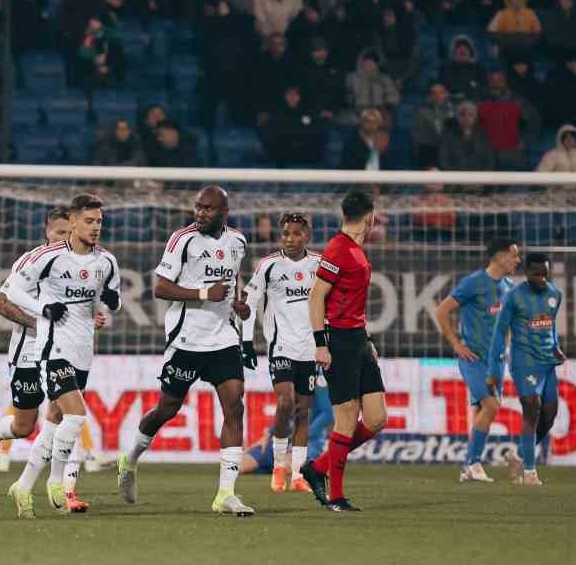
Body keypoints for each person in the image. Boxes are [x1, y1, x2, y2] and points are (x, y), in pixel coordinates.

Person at [116, 186, 254, 516]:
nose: (200, 213)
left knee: (235, 406)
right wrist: (206, 292)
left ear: (224, 211)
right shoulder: (183, 239)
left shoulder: (238, 241)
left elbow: (235, 279)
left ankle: (225, 494)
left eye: (208, 208)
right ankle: (130, 459)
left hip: (223, 338)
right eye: (198, 207)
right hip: (187, 340)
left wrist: (240, 305)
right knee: (168, 408)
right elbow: (160, 287)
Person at [0, 195, 120, 518]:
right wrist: (42, 309)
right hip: (48, 348)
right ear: (72, 222)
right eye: (89, 221)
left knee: (53, 423)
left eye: (99, 221)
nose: (95, 227)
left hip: (82, 350)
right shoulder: (47, 257)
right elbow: (11, 293)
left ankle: (23, 484)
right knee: (74, 416)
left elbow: (108, 302)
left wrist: (109, 304)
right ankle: (58, 482)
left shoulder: (107, 262)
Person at [299, 191, 386, 512]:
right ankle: (336, 496)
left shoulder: (354, 249)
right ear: (370, 217)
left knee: (376, 419)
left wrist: (366, 339)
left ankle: (318, 467)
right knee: (346, 419)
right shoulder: (337, 249)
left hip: (358, 341)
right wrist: (320, 344)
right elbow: (316, 297)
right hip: (338, 342)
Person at [244, 211, 322, 494]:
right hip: (281, 346)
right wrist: (245, 342)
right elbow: (249, 301)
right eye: (285, 233)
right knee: (285, 402)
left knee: (303, 411)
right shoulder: (268, 265)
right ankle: (278, 466)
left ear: (307, 235)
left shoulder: (320, 265)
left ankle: (298, 474)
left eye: (296, 233)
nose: (290, 239)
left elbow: (330, 303)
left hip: (310, 348)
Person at [434, 238, 521, 483]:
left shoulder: (508, 287)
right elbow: (441, 310)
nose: (518, 260)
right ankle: (472, 463)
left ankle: (469, 467)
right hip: (473, 359)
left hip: (497, 361)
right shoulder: (473, 283)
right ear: (500, 256)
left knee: (485, 410)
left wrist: (509, 347)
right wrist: (456, 344)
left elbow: (508, 324)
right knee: (491, 406)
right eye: (514, 255)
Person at [485, 253, 567, 487]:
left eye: (545, 273)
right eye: (536, 273)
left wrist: (557, 349)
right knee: (532, 407)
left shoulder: (555, 295)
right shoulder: (513, 297)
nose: (541, 278)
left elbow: (550, 326)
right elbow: (500, 333)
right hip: (524, 362)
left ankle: (518, 455)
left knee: (548, 417)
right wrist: (493, 370)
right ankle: (529, 473)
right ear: (527, 273)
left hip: (547, 363)